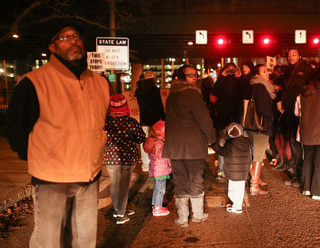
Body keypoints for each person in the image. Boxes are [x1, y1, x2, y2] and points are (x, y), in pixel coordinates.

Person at [5, 23, 110, 247]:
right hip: (51, 178)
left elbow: (102, 123)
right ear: (52, 47)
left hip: (89, 177)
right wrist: (38, 156)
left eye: (76, 36)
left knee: (84, 240)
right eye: (65, 37)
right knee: (50, 240)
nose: (73, 40)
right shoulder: (34, 81)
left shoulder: (99, 82)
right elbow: (15, 128)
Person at [162, 65, 216, 227]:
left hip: (174, 145)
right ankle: (198, 214)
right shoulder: (192, 94)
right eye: (191, 75)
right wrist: (211, 139)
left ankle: (183, 217)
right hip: (192, 145)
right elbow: (204, 120)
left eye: (195, 75)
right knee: (195, 179)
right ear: (182, 77)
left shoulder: (172, 95)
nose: (195, 78)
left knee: (180, 180)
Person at [104, 94, 146, 224]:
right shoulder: (130, 122)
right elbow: (141, 138)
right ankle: (121, 214)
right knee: (123, 186)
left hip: (110, 158)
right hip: (126, 158)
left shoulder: (105, 122)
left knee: (115, 184)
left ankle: (119, 209)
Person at [277, 48, 313, 187]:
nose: (291, 57)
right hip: (289, 113)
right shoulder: (287, 70)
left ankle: (305, 177)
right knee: (293, 143)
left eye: (294, 55)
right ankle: (298, 176)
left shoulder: (306, 69)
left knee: (301, 145)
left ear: (300, 55)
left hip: (301, 113)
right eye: (289, 55)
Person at [246, 64, 275, 195]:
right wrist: (272, 115)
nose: (267, 74)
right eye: (264, 71)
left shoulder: (251, 85)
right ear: (257, 75)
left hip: (249, 125)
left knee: (252, 154)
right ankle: (254, 185)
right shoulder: (262, 87)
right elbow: (263, 108)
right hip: (260, 127)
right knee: (258, 156)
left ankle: (255, 178)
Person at [212, 63, 244, 179]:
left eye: (233, 70)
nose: (231, 72)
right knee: (221, 144)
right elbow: (215, 93)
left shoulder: (240, 80)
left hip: (236, 118)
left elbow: (246, 92)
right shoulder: (222, 80)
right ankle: (221, 169)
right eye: (228, 70)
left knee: (235, 145)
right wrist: (221, 77)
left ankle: (233, 168)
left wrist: (240, 77)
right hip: (223, 119)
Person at [212, 122, 251, 214]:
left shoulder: (230, 144)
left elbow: (222, 152)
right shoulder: (246, 143)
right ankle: (236, 205)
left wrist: (214, 145)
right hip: (243, 171)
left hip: (233, 172)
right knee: (239, 189)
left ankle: (237, 207)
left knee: (233, 190)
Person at [294, 68, 320, 200]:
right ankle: (317, 192)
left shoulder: (301, 94)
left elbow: (296, 113)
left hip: (306, 132)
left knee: (307, 159)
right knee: (318, 162)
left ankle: (306, 189)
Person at [135, 70, 165, 172]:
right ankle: (154, 163)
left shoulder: (139, 91)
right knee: (154, 142)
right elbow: (159, 105)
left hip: (143, 119)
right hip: (154, 120)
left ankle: (145, 165)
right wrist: (163, 117)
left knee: (144, 142)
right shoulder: (154, 90)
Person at [143, 120, 172, 216]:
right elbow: (166, 158)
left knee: (157, 188)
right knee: (160, 189)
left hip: (155, 169)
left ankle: (156, 205)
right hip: (161, 170)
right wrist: (171, 166)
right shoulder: (161, 144)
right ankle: (157, 208)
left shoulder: (151, 141)